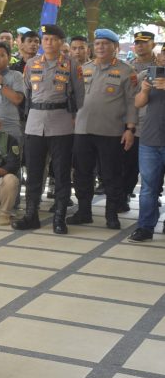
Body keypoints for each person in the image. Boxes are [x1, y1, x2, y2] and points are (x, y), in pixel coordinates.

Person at [12, 25, 84, 235]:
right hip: (35, 123)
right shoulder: (31, 64)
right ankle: (31, 215)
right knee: (33, 173)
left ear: (61, 42)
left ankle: (59, 218)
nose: (48, 43)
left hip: (61, 123)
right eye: (45, 39)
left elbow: (80, 96)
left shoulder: (71, 65)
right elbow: (27, 92)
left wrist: (74, 119)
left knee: (61, 173)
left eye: (53, 39)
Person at [67, 29, 137, 230]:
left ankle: (111, 215)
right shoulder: (83, 68)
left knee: (111, 175)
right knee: (82, 174)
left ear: (115, 47)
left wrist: (130, 129)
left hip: (111, 132)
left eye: (105, 44)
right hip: (82, 131)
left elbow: (132, 103)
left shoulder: (126, 71)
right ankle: (84, 212)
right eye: (97, 44)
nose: (100, 47)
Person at [128, 48, 165, 242]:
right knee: (148, 187)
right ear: (159, 57)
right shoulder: (149, 75)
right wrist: (144, 90)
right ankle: (145, 227)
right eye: (164, 54)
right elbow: (138, 103)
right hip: (150, 140)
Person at [122, 31, 159, 210]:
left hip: (154, 123)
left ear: (153, 44)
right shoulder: (127, 67)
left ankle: (154, 195)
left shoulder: (159, 65)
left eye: (144, 42)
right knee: (129, 163)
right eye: (137, 42)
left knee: (153, 168)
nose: (140, 45)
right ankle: (125, 193)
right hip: (133, 121)